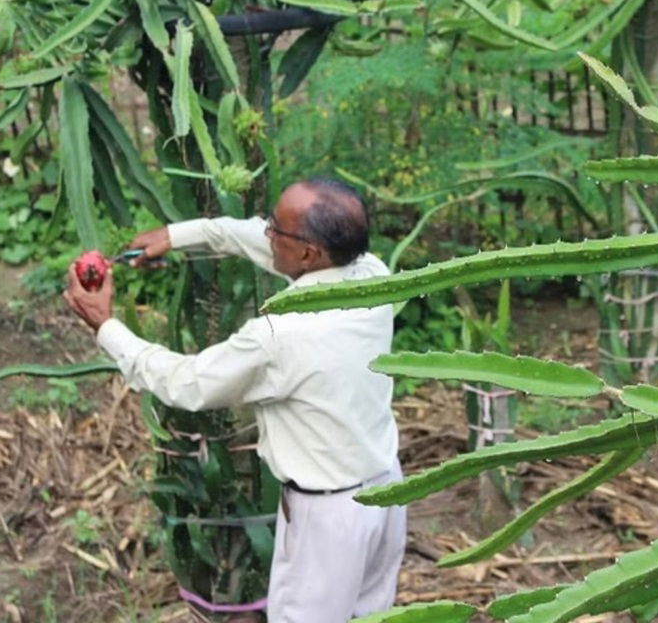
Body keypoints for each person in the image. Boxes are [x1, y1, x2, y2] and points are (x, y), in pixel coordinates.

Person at [62, 177, 406, 622]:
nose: (264, 232)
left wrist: (105, 326)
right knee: (372, 615)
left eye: (274, 228)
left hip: (329, 519)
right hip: (386, 487)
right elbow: (258, 241)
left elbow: (187, 383)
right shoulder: (372, 276)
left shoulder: (284, 333)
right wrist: (178, 236)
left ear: (309, 254)